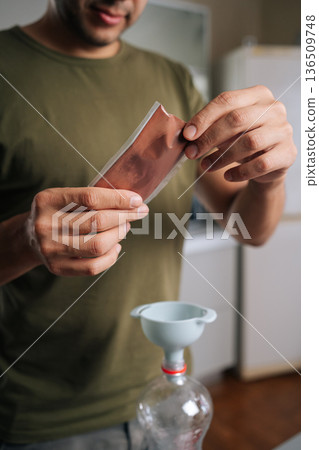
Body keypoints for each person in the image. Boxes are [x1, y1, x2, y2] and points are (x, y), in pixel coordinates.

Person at [0, 0, 296, 448]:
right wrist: (25, 240)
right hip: (38, 418)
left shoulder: (174, 77)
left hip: (169, 395)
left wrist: (270, 181)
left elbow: (249, 230)